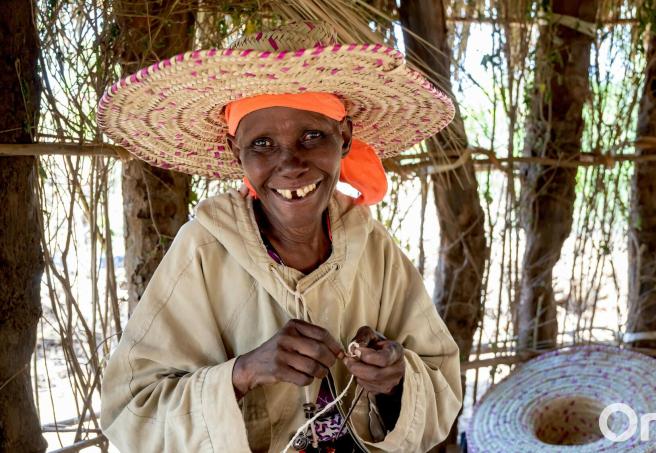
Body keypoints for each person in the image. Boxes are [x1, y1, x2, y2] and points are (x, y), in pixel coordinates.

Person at [97, 22, 462, 453]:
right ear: (237, 152)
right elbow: (130, 413)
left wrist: (396, 379)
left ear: (343, 139)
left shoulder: (374, 248)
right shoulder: (203, 252)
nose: (290, 164)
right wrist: (243, 373)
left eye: (312, 137)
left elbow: (441, 385)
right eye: (263, 144)